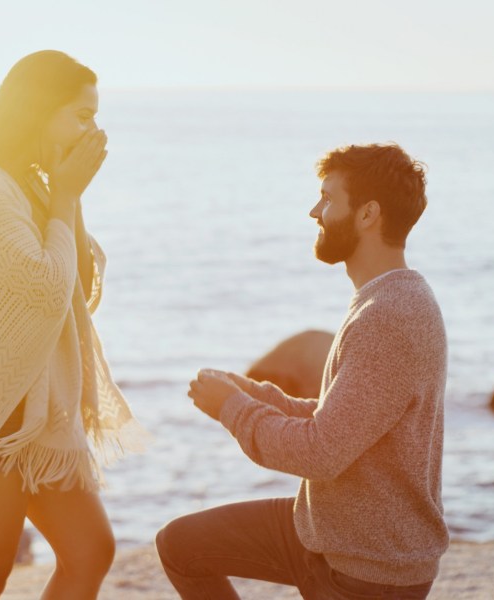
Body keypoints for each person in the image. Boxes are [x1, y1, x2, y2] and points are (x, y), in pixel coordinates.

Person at [157, 143, 449, 599]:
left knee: (182, 545)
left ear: (368, 214)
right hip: (330, 534)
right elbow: (344, 420)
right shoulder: (388, 299)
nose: (315, 211)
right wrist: (254, 394)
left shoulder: (390, 316)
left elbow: (320, 453)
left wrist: (234, 409)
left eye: (329, 198)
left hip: (365, 572)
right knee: (182, 544)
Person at [0, 50, 143, 599]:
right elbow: (45, 286)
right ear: (37, 113)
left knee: (90, 550)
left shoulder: (35, 186)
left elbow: (80, 286)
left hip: (37, 418)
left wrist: (71, 195)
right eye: (81, 116)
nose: (95, 130)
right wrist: (64, 194)